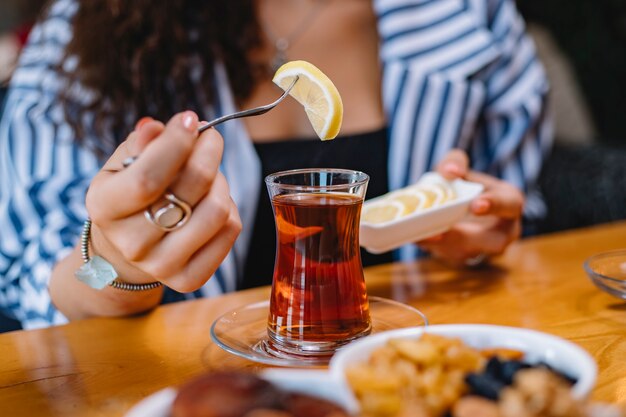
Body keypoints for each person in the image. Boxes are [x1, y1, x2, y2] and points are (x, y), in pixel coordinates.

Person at [0, 0, 551, 329]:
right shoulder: (90, 26)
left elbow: (520, 215)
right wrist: (117, 263)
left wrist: (480, 229)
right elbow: (32, 268)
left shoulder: (468, 14)